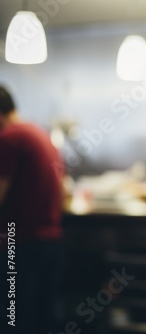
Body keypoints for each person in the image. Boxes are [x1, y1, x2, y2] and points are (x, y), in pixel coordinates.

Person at [0, 86, 64, 334]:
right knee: (41, 318)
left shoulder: (8, 138)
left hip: (18, 240)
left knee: (14, 320)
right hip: (48, 241)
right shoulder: (38, 132)